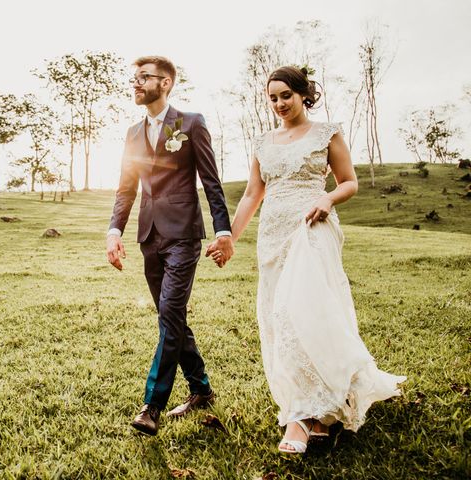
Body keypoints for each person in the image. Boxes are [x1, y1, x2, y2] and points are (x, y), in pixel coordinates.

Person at [208, 66, 406, 453]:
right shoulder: (263, 142)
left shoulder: (326, 132)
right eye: (273, 97)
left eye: (286, 95)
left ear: (303, 95)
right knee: (280, 322)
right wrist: (230, 236)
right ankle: (315, 409)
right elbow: (252, 194)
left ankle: (304, 418)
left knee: (305, 313)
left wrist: (327, 198)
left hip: (313, 229)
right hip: (273, 237)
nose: (280, 104)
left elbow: (349, 181)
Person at [106, 56, 234, 436]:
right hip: (149, 235)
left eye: (143, 78)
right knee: (171, 317)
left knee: (170, 311)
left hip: (183, 235)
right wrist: (114, 231)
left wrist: (223, 230)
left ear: (165, 84)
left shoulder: (190, 123)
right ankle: (202, 390)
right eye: (134, 78)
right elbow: (126, 188)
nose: (136, 83)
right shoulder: (132, 133)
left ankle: (152, 404)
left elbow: (211, 181)